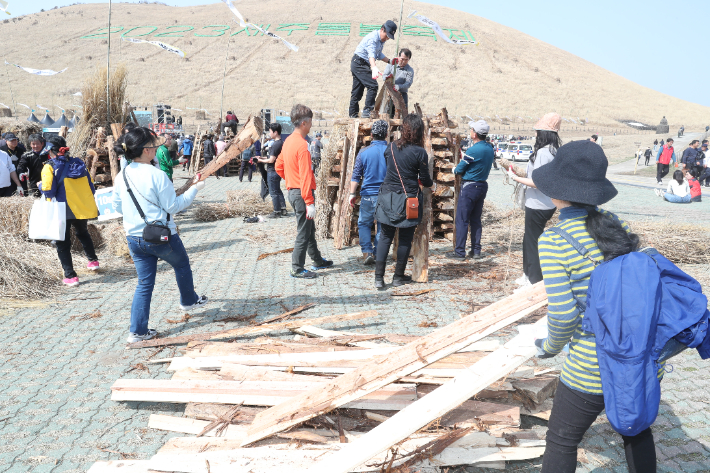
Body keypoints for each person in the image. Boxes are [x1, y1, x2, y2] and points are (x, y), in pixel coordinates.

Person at [530, 140, 658, 473]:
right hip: (638, 358)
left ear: (558, 192)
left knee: (561, 440)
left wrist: (548, 347)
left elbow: (563, 315)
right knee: (636, 430)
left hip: (591, 365)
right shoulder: (616, 224)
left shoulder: (555, 240)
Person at [112, 127, 208, 343]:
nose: (157, 148)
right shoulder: (158, 175)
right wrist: (195, 188)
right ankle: (188, 301)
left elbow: (117, 206)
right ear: (146, 150)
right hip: (162, 237)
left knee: (144, 283)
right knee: (181, 264)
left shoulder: (122, 175)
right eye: (154, 145)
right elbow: (174, 206)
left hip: (134, 238)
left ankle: (137, 332)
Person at [374, 113, 433, 288]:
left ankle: (378, 278)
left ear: (403, 129)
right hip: (409, 200)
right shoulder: (420, 153)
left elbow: (389, 167)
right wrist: (431, 183)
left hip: (387, 197)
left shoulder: (390, 147)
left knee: (385, 237)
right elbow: (425, 179)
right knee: (405, 239)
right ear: (418, 131)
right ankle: (398, 277)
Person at [275, 104, 333, 278]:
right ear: (304, 123)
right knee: (303, 231)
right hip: (302, 193)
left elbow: (278, 166)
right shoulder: (302, 145)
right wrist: (309, 201)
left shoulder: (288, 142)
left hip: (294, 191)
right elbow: (306, 175)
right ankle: (297, 267)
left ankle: (317, 260)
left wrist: (290, 179)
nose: (311, 126)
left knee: (309, 228)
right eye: (310, 122)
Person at [506, 113, 561, 285]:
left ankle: (535, 280)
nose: (535, 134)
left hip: (538, 204)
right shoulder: (552, 150)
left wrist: (514, 178)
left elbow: (538, 181)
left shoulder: (544, 153)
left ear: (544, 133)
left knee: (533, 243)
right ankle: (527, 274)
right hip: (541, 202)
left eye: (537, 131)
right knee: (529, 239)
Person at [38, 136, 99, 286]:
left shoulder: (49, 166)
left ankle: (70, 276)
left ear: (51, 151)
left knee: (62, 243)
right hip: (80, 207)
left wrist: (40, 185)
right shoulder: (79, 163)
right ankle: (93, 261)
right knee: (83, 233)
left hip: (62, 209)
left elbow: (49, 192)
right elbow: (91, 187)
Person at [447, 120, 495, 261]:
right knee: (475, 219)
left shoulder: (474, 150)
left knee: (462, 220)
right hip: (482, 185)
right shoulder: (489, 148)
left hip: (469, 186)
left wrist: (453, 169)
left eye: (471, 129)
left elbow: (460, 169)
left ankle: (460, 252)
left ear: (475, 134)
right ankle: (476, 251)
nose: (470, 131)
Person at [349, 120, 388, 266]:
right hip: (386, 196)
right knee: (383, 225)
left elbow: (356, 175)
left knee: (364, 224)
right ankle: (378, 253)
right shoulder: (391, 150)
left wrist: (352, 194)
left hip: (368, 195)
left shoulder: (363, 152)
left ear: (371, 135)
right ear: (386, 134)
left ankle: (367, 252)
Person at [349, 20, 398, 118]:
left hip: (362, 63)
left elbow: (378, 54)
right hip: (359, 62)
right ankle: (367, 112)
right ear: (382, 29)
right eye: (387, 35)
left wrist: (389, 61)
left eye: (389, 37)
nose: (387, 38)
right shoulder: (373, 38)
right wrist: (373, 67)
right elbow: (371, 54)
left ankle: (353, 114)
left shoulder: (380, 41)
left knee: (357, 91)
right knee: (373, 85)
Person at [259, 123, 288, 218]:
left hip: (272, 171)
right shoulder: (281, 143)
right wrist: (262, 158)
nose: (269, 133)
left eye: (270, 131)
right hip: (278, 171)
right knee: (278, 190)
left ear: (275, 132)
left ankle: (277, 211)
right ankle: (283, 209)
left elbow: (271, 160)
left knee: (273, 192)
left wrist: (260, 160)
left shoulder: (275, 144)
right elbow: (273, 157)